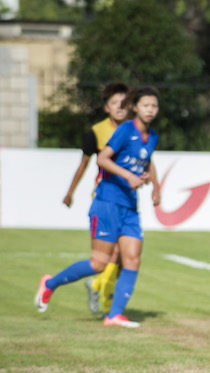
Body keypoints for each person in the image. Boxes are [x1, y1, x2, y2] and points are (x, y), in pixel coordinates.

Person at [36, 86, 162, 328]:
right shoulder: (125, 130)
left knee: (132, 259)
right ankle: (49, 284)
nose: (150, 110)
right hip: (107, 202)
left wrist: (153, 184)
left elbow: (146, 162)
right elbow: (103, 159)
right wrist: (128, 176)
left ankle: (114, 315)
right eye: (146, 105)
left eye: (154, 106)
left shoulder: (152, 136)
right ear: (135, 107)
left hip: (130, 206)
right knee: (99, 263)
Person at [62, 82, 130, 317]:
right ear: (106, 108)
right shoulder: (97, 132)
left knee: (123, 258)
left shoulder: (135, 130)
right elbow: (84, 165)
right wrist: (70, 191)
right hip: (105, 199)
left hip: (127, 200)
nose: (120, 108)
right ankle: (106, 302)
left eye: (124, 103)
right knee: (113, 254)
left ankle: (98, 288)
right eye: (115, 103)